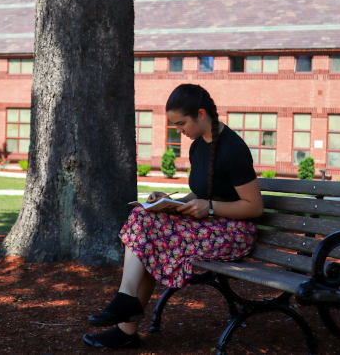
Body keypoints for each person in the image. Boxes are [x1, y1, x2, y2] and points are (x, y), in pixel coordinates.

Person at [83, 83, 263, 349]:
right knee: (142, 218)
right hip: (209, 227)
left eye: (181, 124)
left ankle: (126, 317)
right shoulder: (198, 145)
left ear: (201, 114)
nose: (179, 131)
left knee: (148, 236)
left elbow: (254, 206)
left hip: (234, 234)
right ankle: (126, 313)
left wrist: (210, 207)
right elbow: (200, 193)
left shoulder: (233, 149)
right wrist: (170, 202)